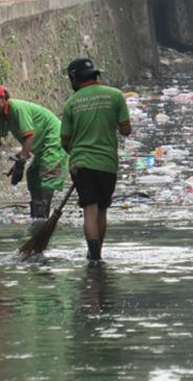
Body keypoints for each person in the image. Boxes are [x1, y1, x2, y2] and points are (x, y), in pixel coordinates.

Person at [61, 58, 131, 262]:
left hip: (81, 163)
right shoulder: (116, 96)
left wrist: (75, 157)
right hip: (108, 164)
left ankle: (93, 257)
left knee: (89, 211)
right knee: (102, 210)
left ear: (74, 78)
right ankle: (98, 254)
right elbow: (126, 130)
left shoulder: (71, 103)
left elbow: (64, 141)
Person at [0, 84, 68, 220]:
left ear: (2, 99)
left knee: (48, 175)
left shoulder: (17, 109)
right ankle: (37, 215)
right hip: (40, 146)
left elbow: (29, 137)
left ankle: (43, 216)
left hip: (54, 138)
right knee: (32, 174)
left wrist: (20, 163)